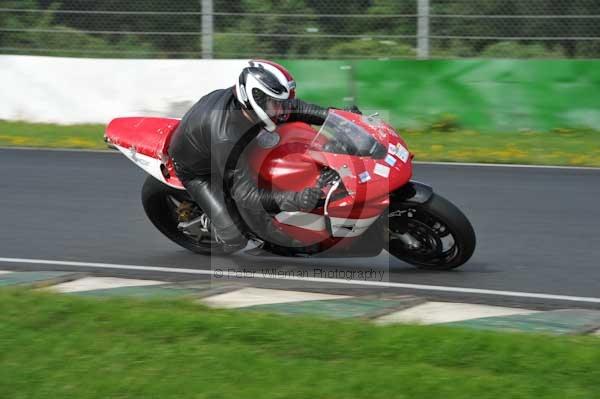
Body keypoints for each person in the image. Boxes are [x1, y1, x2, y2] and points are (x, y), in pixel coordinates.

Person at [168, 60, 335, 253]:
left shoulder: (251, 107)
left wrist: (336, 117)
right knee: (235, 237)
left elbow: (295, 108)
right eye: (276, 104)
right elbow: (244, 194)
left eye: (282, 103)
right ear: (256, 98)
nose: (282, 110)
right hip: (201, 170)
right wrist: (296, 199)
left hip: (221, 142)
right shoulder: (227, 136)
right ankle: (212, 221)